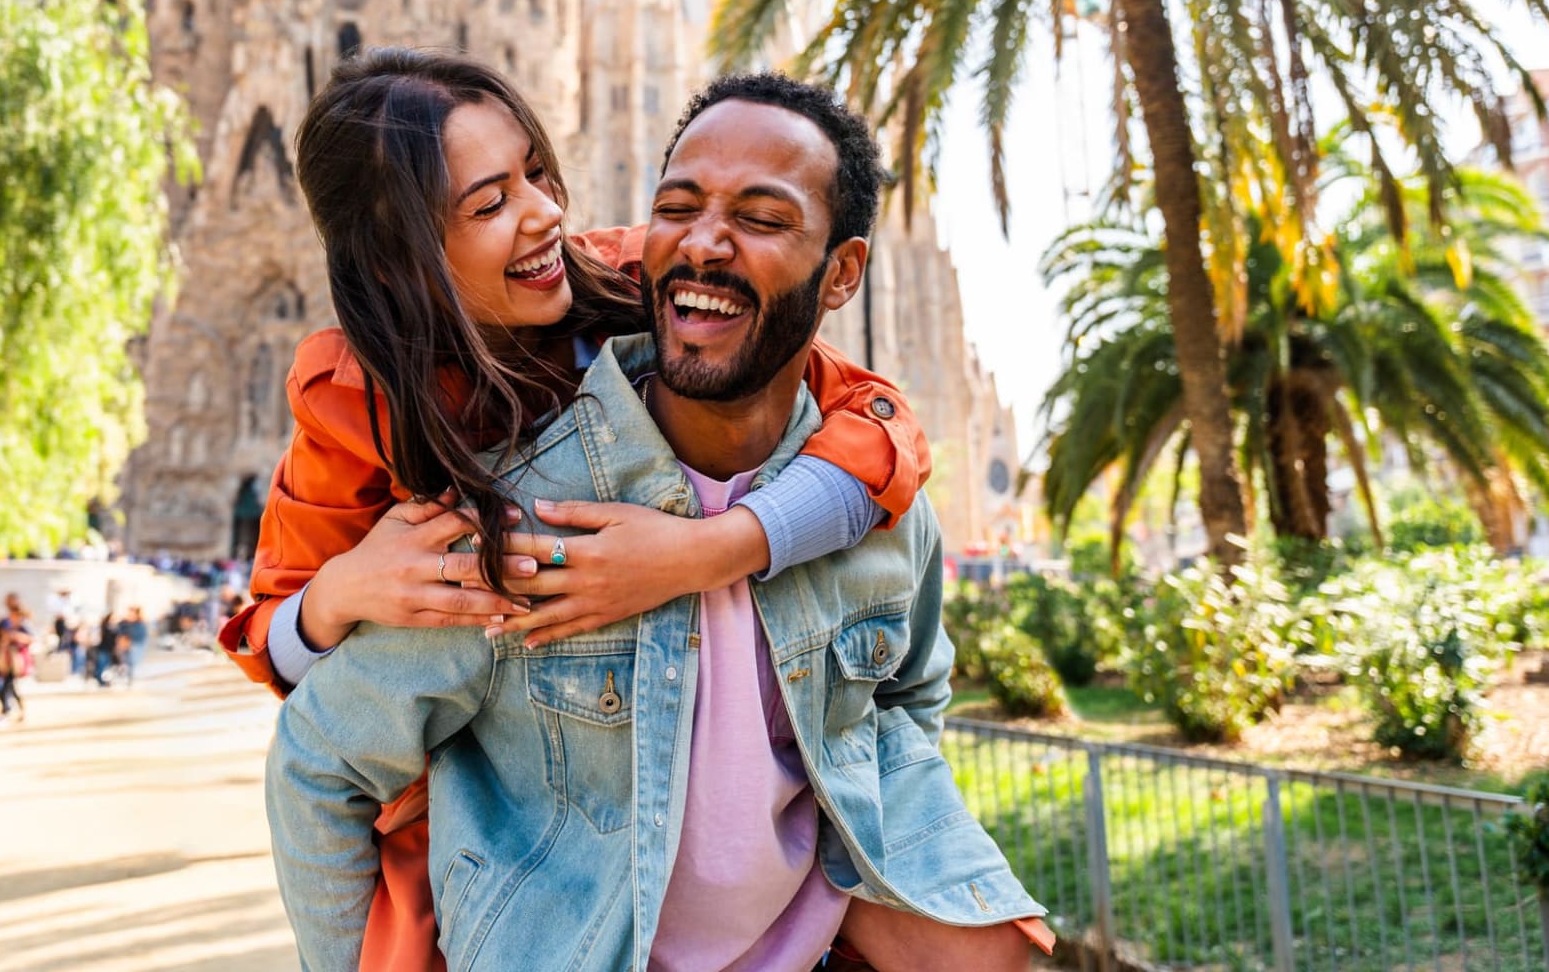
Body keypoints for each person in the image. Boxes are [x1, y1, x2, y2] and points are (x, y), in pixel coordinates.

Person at [268, 69, 1049, 970]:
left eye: (538, 175)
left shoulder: (620, 279)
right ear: (400, 257)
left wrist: (713, 548)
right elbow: (310, 735)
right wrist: (333, 597)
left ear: (842, 272)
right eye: (488, 203)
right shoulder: (412, 449)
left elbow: (882, 442)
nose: (540, 215)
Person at [0, 595, 30, 728]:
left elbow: (30, 639)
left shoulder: (22, 627)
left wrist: (16, 637)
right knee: (10, 686)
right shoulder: (5, 624)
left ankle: (6, 711)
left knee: (8, 685)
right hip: (6, 660)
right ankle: (15, 710)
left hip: (15, 661)